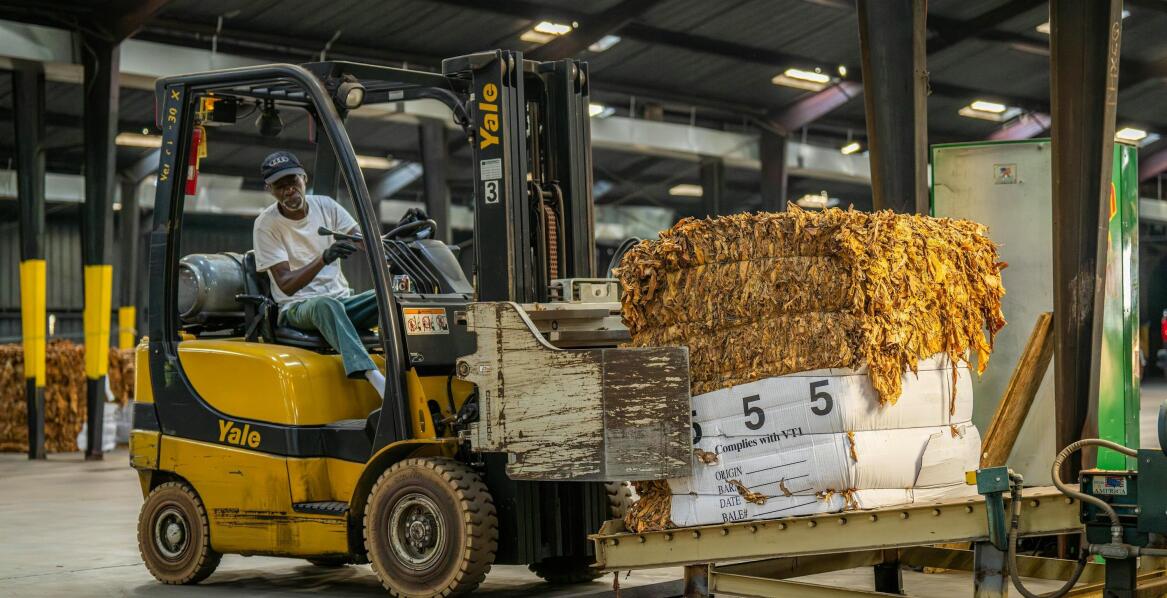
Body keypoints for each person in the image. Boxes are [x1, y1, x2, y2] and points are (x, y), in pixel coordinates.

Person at [251, 151, 386, 396]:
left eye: (293, 181)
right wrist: (324, 258)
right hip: (297, 308)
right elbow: (286, 285)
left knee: (388, 298)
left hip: (341, 302)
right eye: (280, 186)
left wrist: (395, 240)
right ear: (269, 189)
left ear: (304, 178)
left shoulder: (325, 206)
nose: (289, 190)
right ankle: (375, 378)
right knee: (326, 306)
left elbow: (364, 240)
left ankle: (406, 366)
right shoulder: (266, 225)